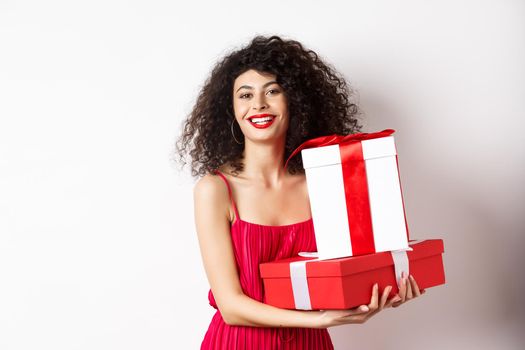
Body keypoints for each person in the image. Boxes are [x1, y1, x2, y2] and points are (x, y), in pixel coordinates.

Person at [175, 35, 424, 350]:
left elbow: (349, 271)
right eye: (245, 95)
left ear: (295, 101)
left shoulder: (326, 182)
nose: (259, 105)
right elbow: (231, 306)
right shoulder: (215, 190)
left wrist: (386, 290)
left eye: (273, 91)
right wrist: (319, 320)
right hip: (238, 343)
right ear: (231, 109)